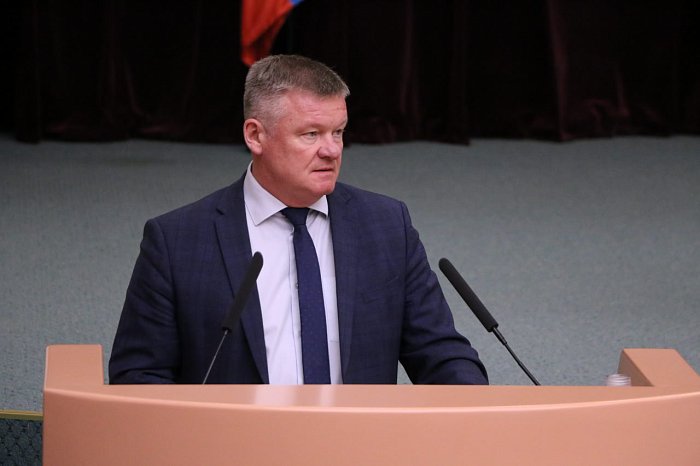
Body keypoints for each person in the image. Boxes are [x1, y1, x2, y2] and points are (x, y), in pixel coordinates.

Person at [109, 54, 487, 385]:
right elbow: (139, 376)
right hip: (238, 439)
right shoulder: (177, 241)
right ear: (255, 136)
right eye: (311, 134)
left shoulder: (386, 226)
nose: (331, 150)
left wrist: (475, 408)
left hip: (357, 438)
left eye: (338, 132)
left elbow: (441, 354)